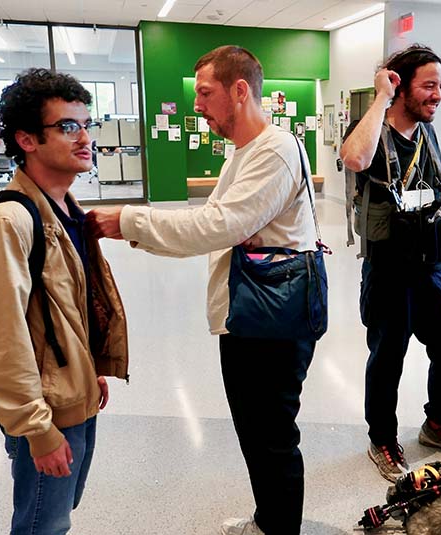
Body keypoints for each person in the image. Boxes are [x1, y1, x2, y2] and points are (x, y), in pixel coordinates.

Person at [88, 45, 319, 535]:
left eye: (206, 94)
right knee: (256, 431)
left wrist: (127, 218)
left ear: (240, 90)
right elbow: (219, 230)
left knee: (272, 435)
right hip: (250, 314)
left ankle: (280, 529)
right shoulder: (245, 153)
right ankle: (268, 519)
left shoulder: (273, 150)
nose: (198, 105)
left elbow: (217, 226)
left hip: (271, 321)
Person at [0, 68, 129, 535]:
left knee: (59, 513)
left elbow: (67, 308)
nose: (85, 138)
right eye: (67, 126)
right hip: (45, 408)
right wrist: (36, 429)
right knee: (43, 524)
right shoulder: (8, 223)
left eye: (87, 124)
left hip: (72, 391)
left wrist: (89, 366)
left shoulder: (67, 210)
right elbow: (3, 338)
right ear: (26, 139)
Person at [340, 44, 441, 482]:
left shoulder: (429, 134)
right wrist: (380, 98)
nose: (437, 95)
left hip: (435, 264)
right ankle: (382, 438)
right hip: (390, 269)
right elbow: (353, 159)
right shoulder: (374, 130)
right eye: (429, 86)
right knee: (388, 356)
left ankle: (439, 423)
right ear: (402, 87)